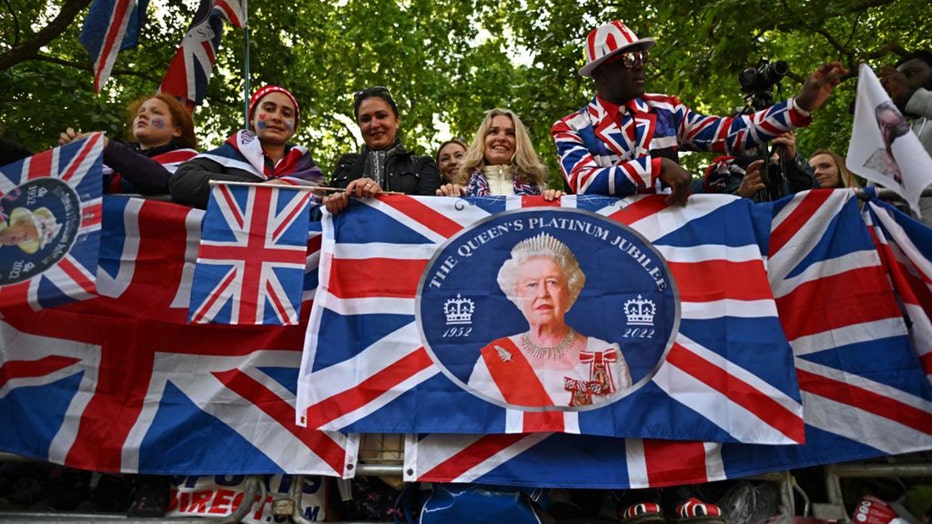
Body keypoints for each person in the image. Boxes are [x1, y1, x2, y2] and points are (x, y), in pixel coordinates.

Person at [552, 20, 846, 206]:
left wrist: (798, 106)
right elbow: (585, 181)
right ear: (601, 73)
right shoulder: (571, 127)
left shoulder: (666, 110)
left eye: (643, 56)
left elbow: (731, 133)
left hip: (670, 248)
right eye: (630, 58)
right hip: (609, 248)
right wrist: (657, 168)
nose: (640, 65)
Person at [467, 233, 632, 408]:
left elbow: (622, 420)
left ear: (569, 291)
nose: (543, 294)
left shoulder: (604, 355)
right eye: (532, 285)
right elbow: (476, 419)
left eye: (553, 282)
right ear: (517, 294)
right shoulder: (495, 357)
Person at [170, 86, 323, 209]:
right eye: (269, 109)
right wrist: (257, 189)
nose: (277, 117)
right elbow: (182, 181)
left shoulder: (308, 172)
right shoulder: (229, 154)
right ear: (251, 119)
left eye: (287, 113)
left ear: (294, 127)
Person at [323, 86, 441, 215]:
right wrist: (332, 202)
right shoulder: (345, 167)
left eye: (381, 116)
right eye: (365, 119)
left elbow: (428, 215)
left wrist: (382, 198)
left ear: (397, 121)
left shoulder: (423, 165)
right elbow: (326, 216)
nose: (374, 124)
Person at [59, 93, 198, 195]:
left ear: (177, 130)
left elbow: (166, 183)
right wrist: (73, 154)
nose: (142, 116)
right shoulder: (109, 159)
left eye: (156, 112)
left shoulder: (191, 160)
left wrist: (108, 148)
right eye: (140, 112)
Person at [436, 108, 562, 200]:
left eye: (510, 133)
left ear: (519, 143)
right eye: (493, 132)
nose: (501, 138)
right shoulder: (461, 191)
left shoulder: (540, 191)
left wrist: (560, 203)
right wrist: (446, 199)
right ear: (482, 141)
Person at [694, 131, 819, 200]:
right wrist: (739, 197)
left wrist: (792, 160)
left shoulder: (784, 173)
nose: (747, 140)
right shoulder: (708, 182)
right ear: (725, 145)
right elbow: (700, 224)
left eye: (755, 134)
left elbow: (816, 200)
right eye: (739, 135)